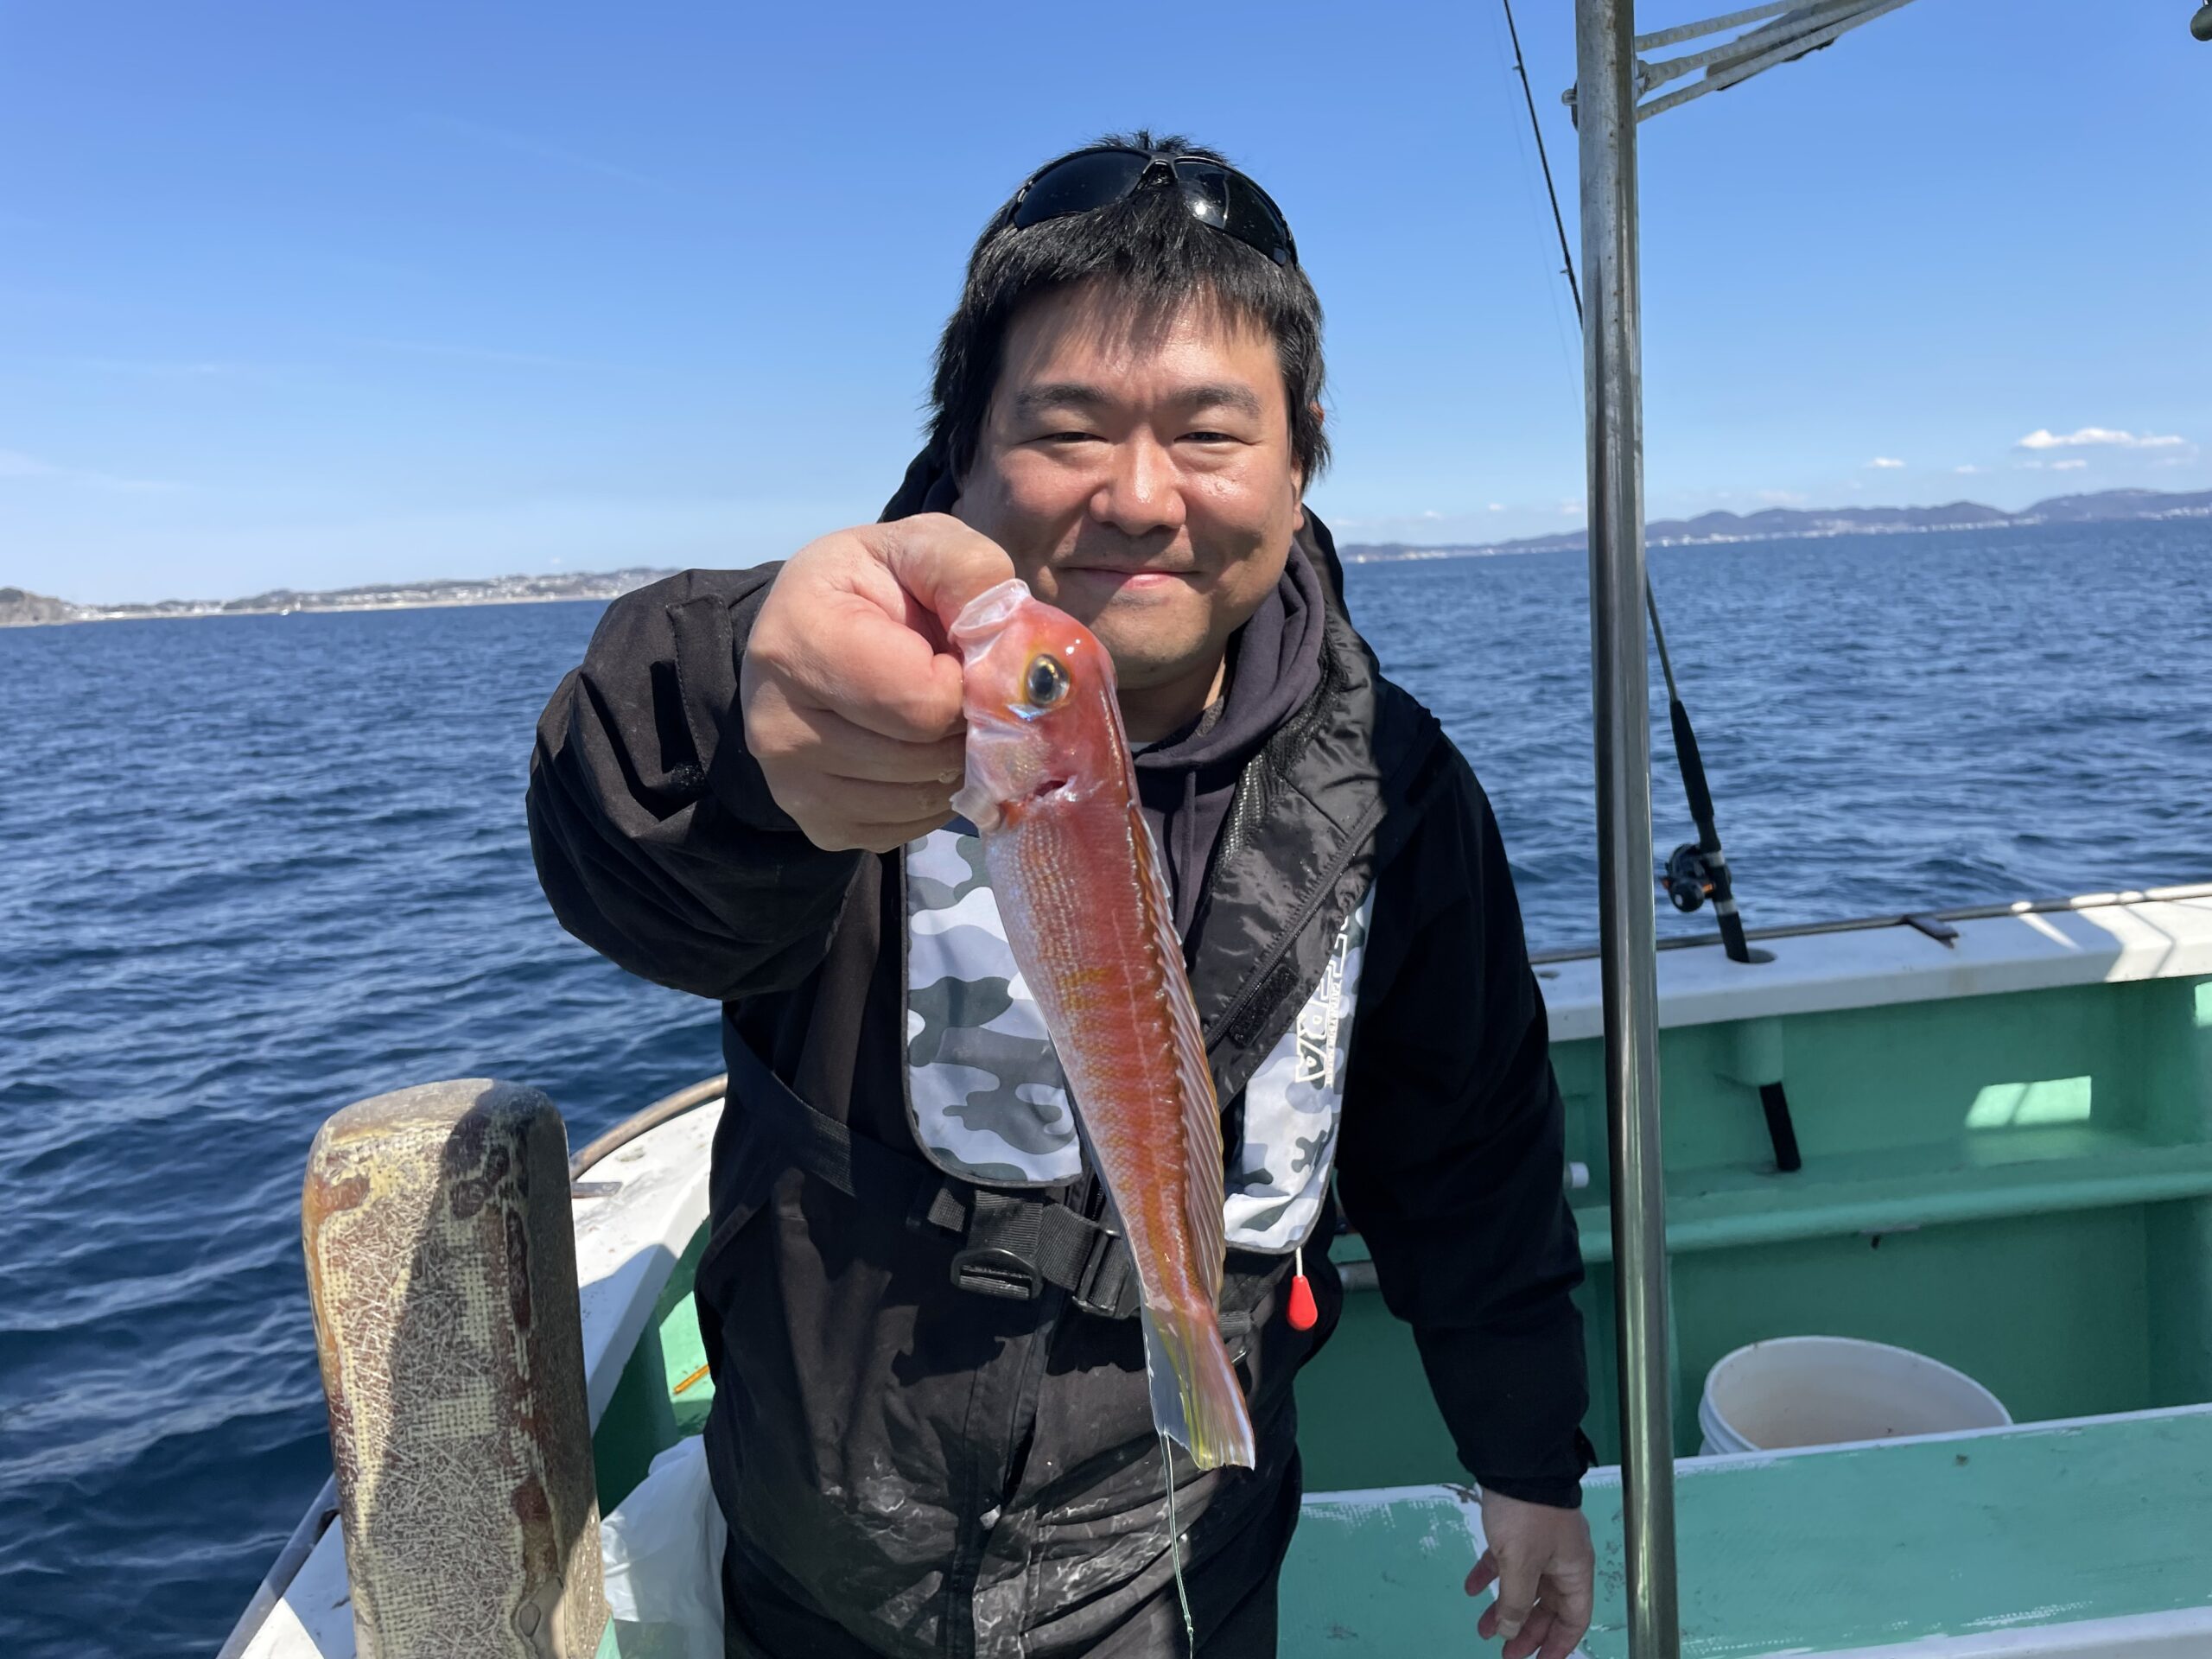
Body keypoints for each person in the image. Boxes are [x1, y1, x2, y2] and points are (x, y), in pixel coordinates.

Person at [529, 132, 1595, 1659]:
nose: (1140, 498)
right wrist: (745, 715)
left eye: (1211, 433)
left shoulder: (1400, 791)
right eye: (1069, 428)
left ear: (1301, 461)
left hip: (1179, 1575)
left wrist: (1529, 1463)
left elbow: (1469, 1152)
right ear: (962, 455)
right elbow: (633, 864)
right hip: (820, 1568)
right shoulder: (839, 695)